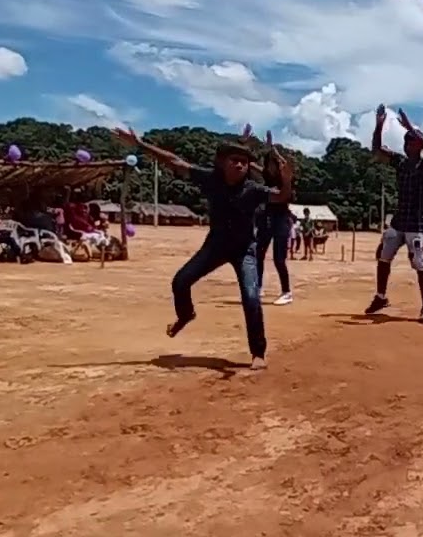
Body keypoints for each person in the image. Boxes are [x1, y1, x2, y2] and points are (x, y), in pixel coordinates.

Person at [113, 125, 293, 370]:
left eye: (244, 162)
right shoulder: (210, 180)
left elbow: (281, 197)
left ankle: (257, 352)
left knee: (251, 298)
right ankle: (186, 315)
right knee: (180, 282)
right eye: (234, 160)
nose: (240, 165)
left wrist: (287, 179)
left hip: (244, 250)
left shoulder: (253, 189)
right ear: (222, 162)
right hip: (216, 245)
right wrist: (140, 144)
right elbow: (174, 161)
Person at [365, 105, 423, 323]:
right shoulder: (401, 163)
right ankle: (381, 296)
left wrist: (411, 126)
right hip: (399, 220)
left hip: (417, 223)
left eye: (410, 142)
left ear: (419, 145)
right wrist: (379, 126)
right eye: (405, 142)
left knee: (420, 265)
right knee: (383, 256)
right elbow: (377, 149)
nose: (405, 145)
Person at [254, 151, 294, 305]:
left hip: (282, 220)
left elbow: (288, 166)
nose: (270, 167)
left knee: (279, 259)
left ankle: (286, 292)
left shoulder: (285, 178)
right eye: (268, 164)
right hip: (267, 219)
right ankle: (258, 287)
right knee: (258, 254)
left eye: (273, 164)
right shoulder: (267, 177)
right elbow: (250, 164)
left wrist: (275, 151)